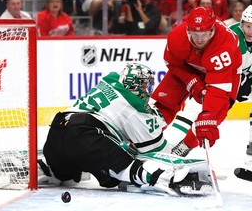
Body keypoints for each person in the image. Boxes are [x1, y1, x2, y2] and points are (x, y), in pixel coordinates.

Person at [38, 63, 213, 196]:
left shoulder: (110, 79)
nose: (147, 90)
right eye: (145, 86)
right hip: (85, 135)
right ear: (136, 86)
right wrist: (190, 139)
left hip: (58, 129)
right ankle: (169, 179)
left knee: (65, 175)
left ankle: (45, 168)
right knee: (126, 169)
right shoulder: (135, 110)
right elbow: (163, 154)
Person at [150, 6, 242, 156]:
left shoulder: (225, 43)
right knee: (165, 102)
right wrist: (191, 81)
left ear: (212, 30)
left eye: (205, 34)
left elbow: (218, 89)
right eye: (195, 34)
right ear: (188, 30)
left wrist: (207, 114)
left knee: (214, 116)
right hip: (189, 66)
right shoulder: (176, 36)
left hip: (226, 71)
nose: (200, 39)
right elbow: (172, 64)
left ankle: (184, 147)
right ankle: (144, 139)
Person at [229, 5, 252, 173]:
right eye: (248, 26)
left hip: (245, 77)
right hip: (223, 80)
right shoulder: (233, 35)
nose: (250, 30)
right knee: (208, 117)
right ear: (241, 23)